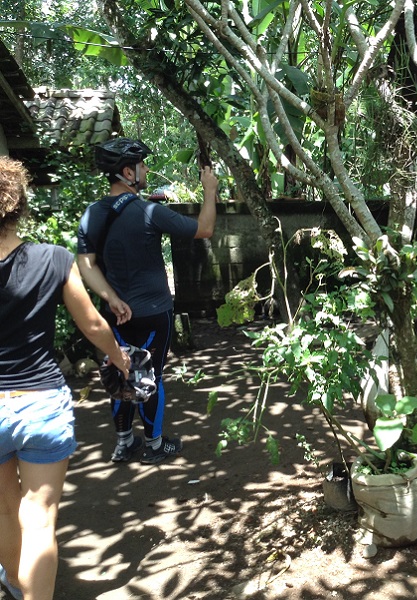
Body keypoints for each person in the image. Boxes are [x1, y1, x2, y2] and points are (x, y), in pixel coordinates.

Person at [0, 156, 130, 600]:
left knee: (4, 510)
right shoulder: (53, 260)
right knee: (39, 518)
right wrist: (119, 358)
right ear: (20, 207)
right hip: (41, 401)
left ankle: (16, 586)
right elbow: (92, 325)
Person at [77, 138, 218, 465]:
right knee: (148, 375)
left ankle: (124, 444)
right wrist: (209, 189)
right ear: (128, 172)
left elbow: (86, 264)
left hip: (115, 316)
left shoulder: (92, 214)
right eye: (142, 166)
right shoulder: (150, 211)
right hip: (154, 313)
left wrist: (110, 297)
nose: (147, 170)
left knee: (119, 371)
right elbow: (205, 228)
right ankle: (154, 446)